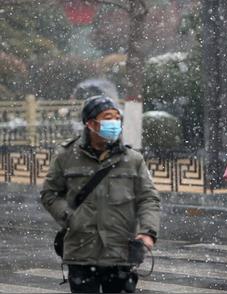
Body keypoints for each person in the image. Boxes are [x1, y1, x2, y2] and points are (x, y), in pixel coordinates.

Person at [41, 95, 161, 293]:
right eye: (107, 117)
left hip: (121, 251)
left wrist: (147, 233)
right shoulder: (66, 156)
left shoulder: (132, 159)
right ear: (90, 123)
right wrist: (70, 217)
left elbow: (148, 198)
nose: (114, 123)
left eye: (117, 118)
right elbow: (49, 193)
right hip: (81, 252)